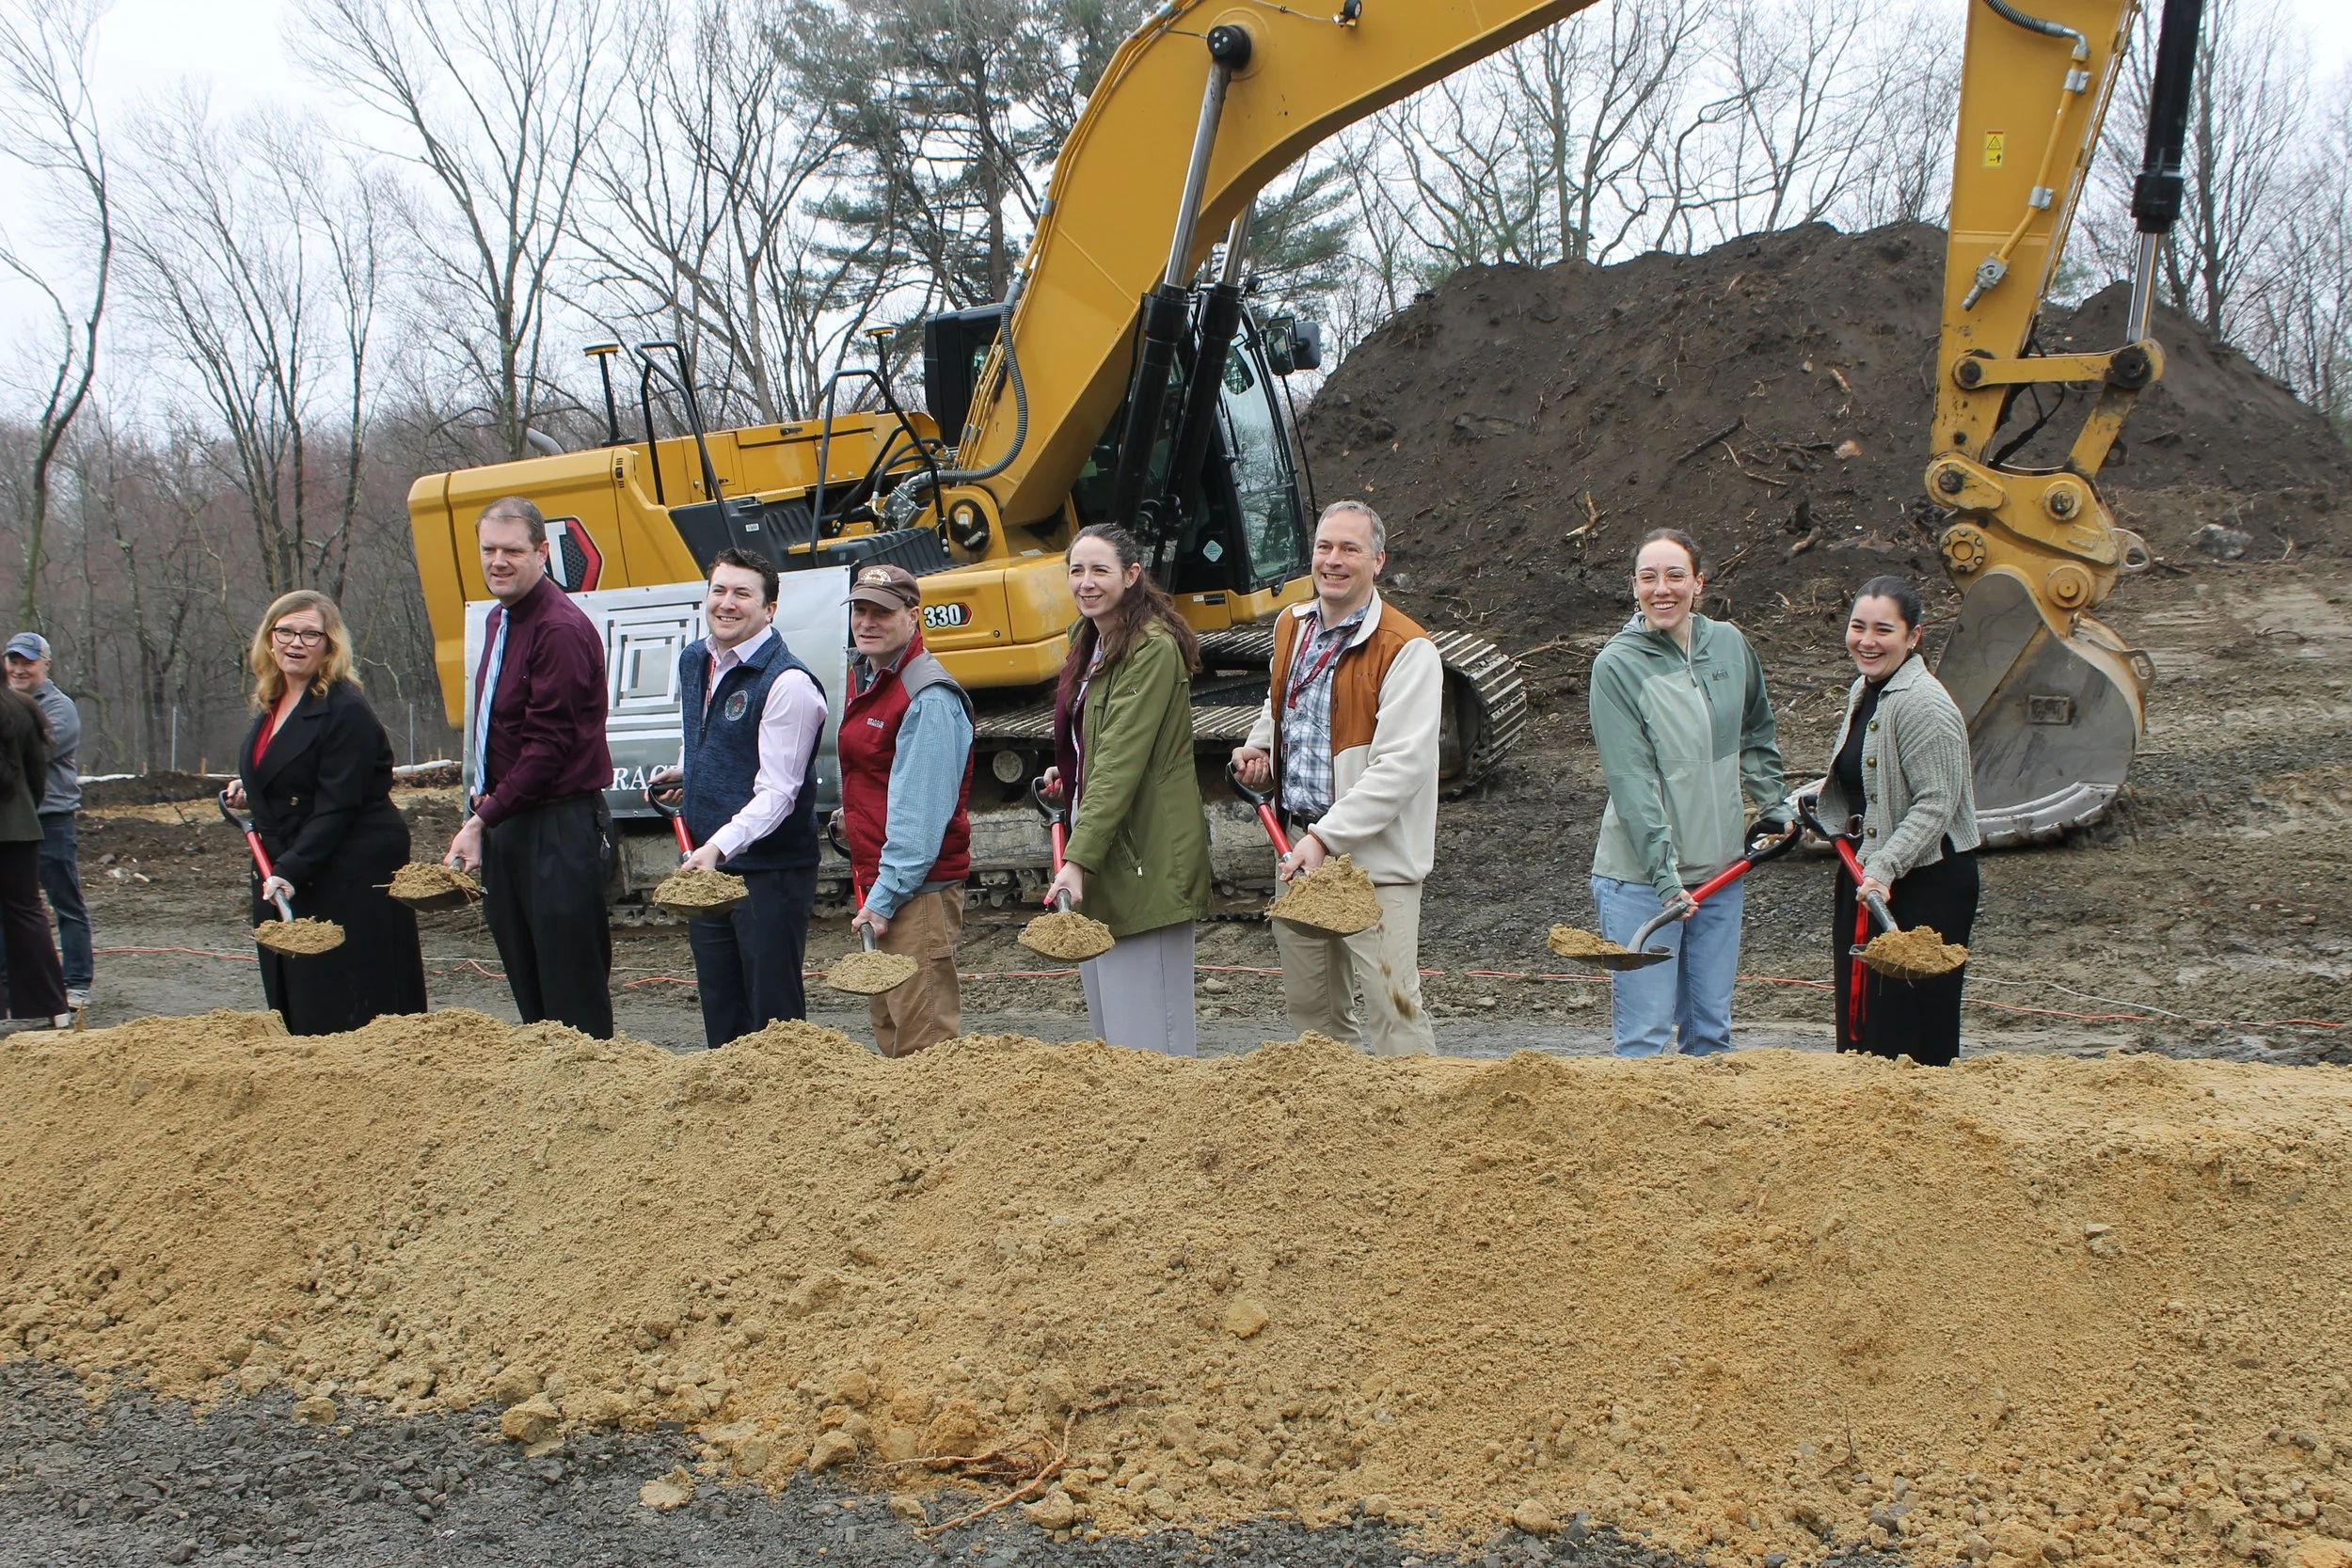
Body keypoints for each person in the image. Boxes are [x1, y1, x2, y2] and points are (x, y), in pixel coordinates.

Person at [1232, 499, 1440, 1055]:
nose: (1333, 560)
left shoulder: (1407, 648)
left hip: (1375, 863)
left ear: (1378, 561)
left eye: (1350, 548)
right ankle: (1339, 1135)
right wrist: (1258, 748)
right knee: (1314, 1014)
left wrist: (1327, 838)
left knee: (1393, 1010)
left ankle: (1422, 1132)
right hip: (1298, 848)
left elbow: (1400, 767)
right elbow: (1282, 703)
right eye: (1325, 547)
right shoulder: (1291, 625)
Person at [1587, 528, 1787, 1057]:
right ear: (1633, 586)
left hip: (1719, 874)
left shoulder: (1728, 645)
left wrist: (1774, 805)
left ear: (1698, 583)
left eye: (1675, 575)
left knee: (1710, 1033)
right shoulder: (1617, 666)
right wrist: (1664, 876)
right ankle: (1639, 1142)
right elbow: (1632, 783)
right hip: (1643, 881)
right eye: (1648, 577)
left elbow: (1756, 731)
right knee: (1646, 1037)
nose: (1662, 589)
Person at [444, 496, 615, 1038]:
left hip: (558, 827)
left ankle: (594, 1103)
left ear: (543, 552)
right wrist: (487, 812)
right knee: (527, 978)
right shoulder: (500, 619)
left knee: (570, 994)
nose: (498, 561)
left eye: (512, 551)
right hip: (510, 823)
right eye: (488, 549)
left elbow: (547, 747)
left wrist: (479, 822)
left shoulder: (558, 629)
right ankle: (545, 1105)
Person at [646, 547, 829, 1050]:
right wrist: (692, 770)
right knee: (721, 1008)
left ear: (769, 609)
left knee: (772, 1018)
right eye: (719, 590)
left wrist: (717, 848)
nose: (727, 603)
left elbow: (778, 793)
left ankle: (786, 1118)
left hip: (769, 872)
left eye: (742, 594)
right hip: (713, 866)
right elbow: (708, 733)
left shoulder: (789, 684)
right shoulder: (695, 660)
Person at [1042, 523, 1214, 1054]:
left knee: (1151, 1043)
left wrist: (1077, 858)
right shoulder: (1090, 641)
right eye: (1076, 570)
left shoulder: (1150, 649)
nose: (1085, 582)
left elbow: (1120, 762)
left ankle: (1175, 1137)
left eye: (1100, 570)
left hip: (1145, 858)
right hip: (1109, 854)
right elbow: (1094, 743)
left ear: (1132, 575)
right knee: (1114, 1041)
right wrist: (1068, 777)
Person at [231, 591, 429, 1036]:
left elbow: (340, 802)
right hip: (292, 859)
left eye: (309, 634)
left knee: (349, 992)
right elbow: (295, 768)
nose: (294, 643)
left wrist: (290, 869)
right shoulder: (273, 700)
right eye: (284, 631)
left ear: (329, 645)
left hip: (347, 868)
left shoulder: (344, 709)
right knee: (298, 986)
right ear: (269, 638)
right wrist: (254, 786)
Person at [1812, 576, 1980, 1066]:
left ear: (1913, 637)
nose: (1867, 641)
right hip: (1868, 874)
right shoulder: (1866, 691)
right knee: (1862, 1018)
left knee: (1909, 1031)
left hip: (1925, 882)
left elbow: (1936, 803)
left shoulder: (1924, 704)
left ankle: (1922, 1131)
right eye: (1858, 627)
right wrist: (1808, 803)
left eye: (1883, 630)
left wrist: (1884, 869)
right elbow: (1866, 778)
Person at [837, 563, 975, 1057]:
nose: (866, 622)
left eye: (882, 612)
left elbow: (920, 821)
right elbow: (880, 778)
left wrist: (883, 897)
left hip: (912, 894)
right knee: (893, 1032)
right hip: (887, 887)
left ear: (914, 616)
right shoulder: (874, 677)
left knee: (924, 1047)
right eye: (860, 610)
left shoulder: (926, 695)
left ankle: (940, 1136)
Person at [4, 633, 91, 1010]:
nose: (19, 669)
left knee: (63, 902)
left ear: (45, 665)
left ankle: (75, 983)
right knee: (15, 906)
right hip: (11, 825)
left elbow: (33, 755)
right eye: (13, 661)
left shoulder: (59, 708)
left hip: (50, 818)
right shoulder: (8, 705)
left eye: (28, 662)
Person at [0, 682, 69, 1030]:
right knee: (27, 913)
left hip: (17, 824)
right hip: (18, 826)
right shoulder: (22, 708)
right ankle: (54, 1007)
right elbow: (36, 775)